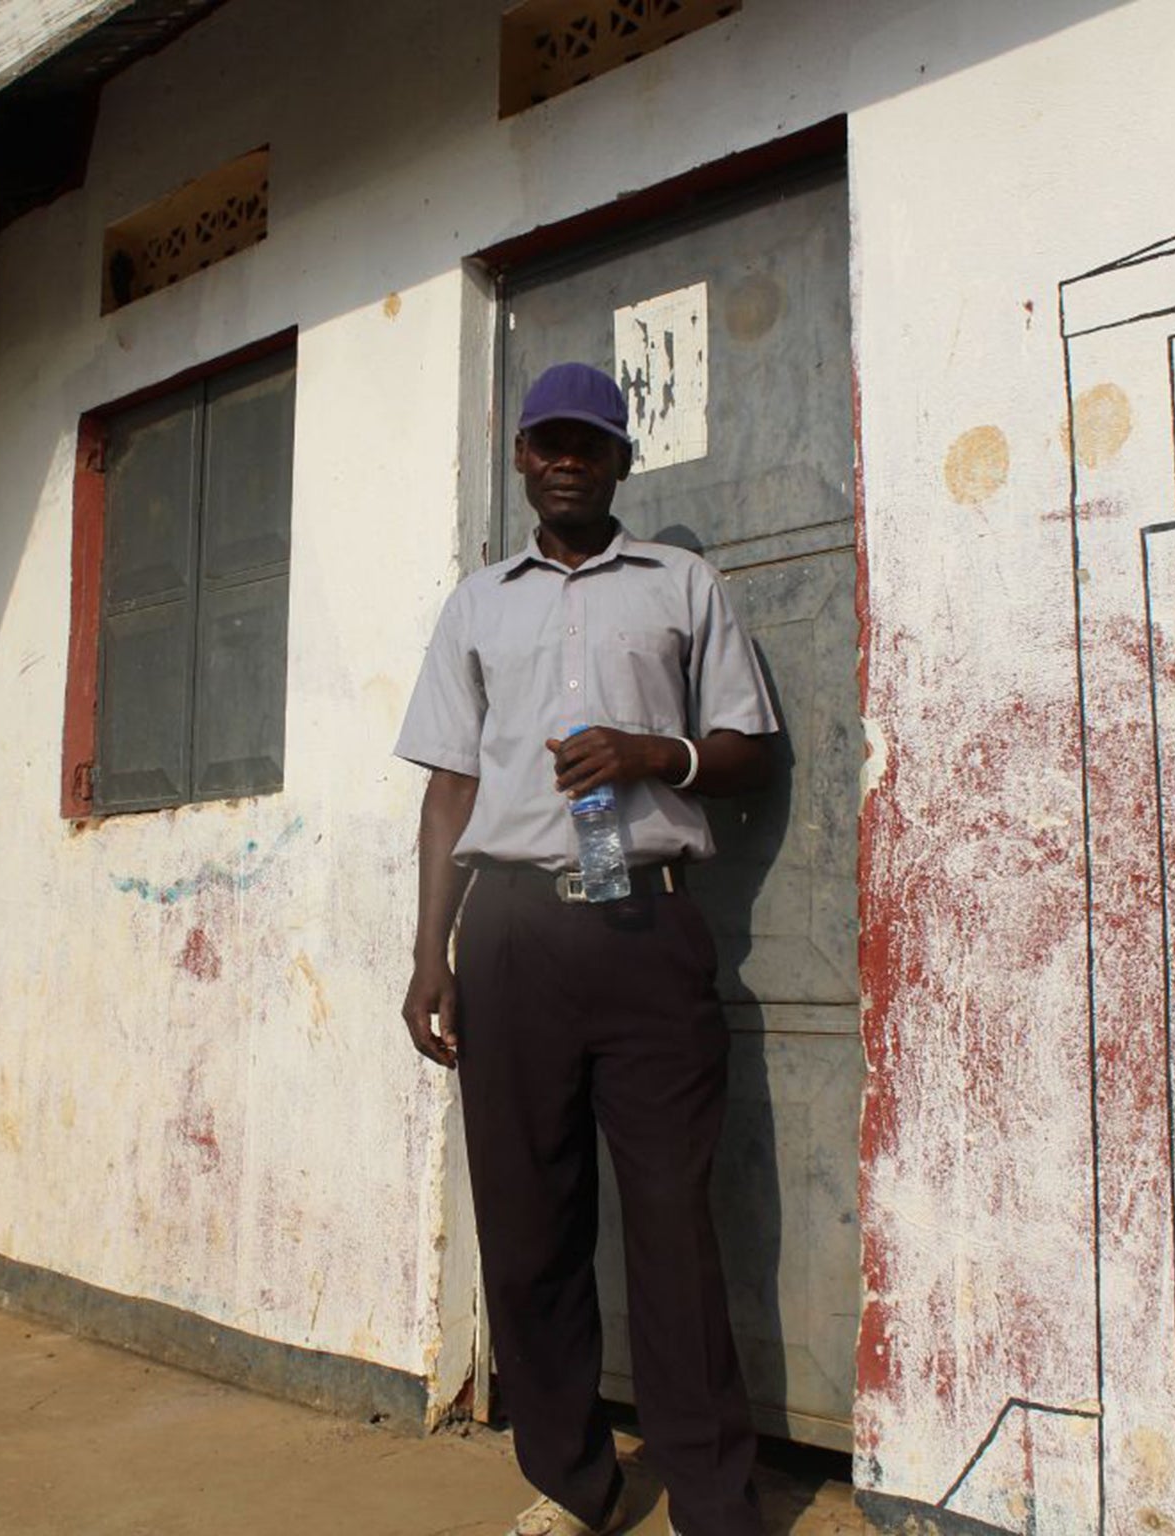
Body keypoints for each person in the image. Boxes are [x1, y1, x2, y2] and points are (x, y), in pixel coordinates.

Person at [394, 362, 778, 1536]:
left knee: (671, 1222)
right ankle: (570, 1482)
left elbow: (747, 750)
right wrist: (428, 953)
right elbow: (449, 788)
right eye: (546, 442)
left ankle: (711, 1500)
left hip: (644, 923)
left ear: (621, 460)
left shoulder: (682, 585)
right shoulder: (476, 605)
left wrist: (649, 755)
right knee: (526, 1221)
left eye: (589, 443)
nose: (567, 459)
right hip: (509, 932)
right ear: (521, 459)